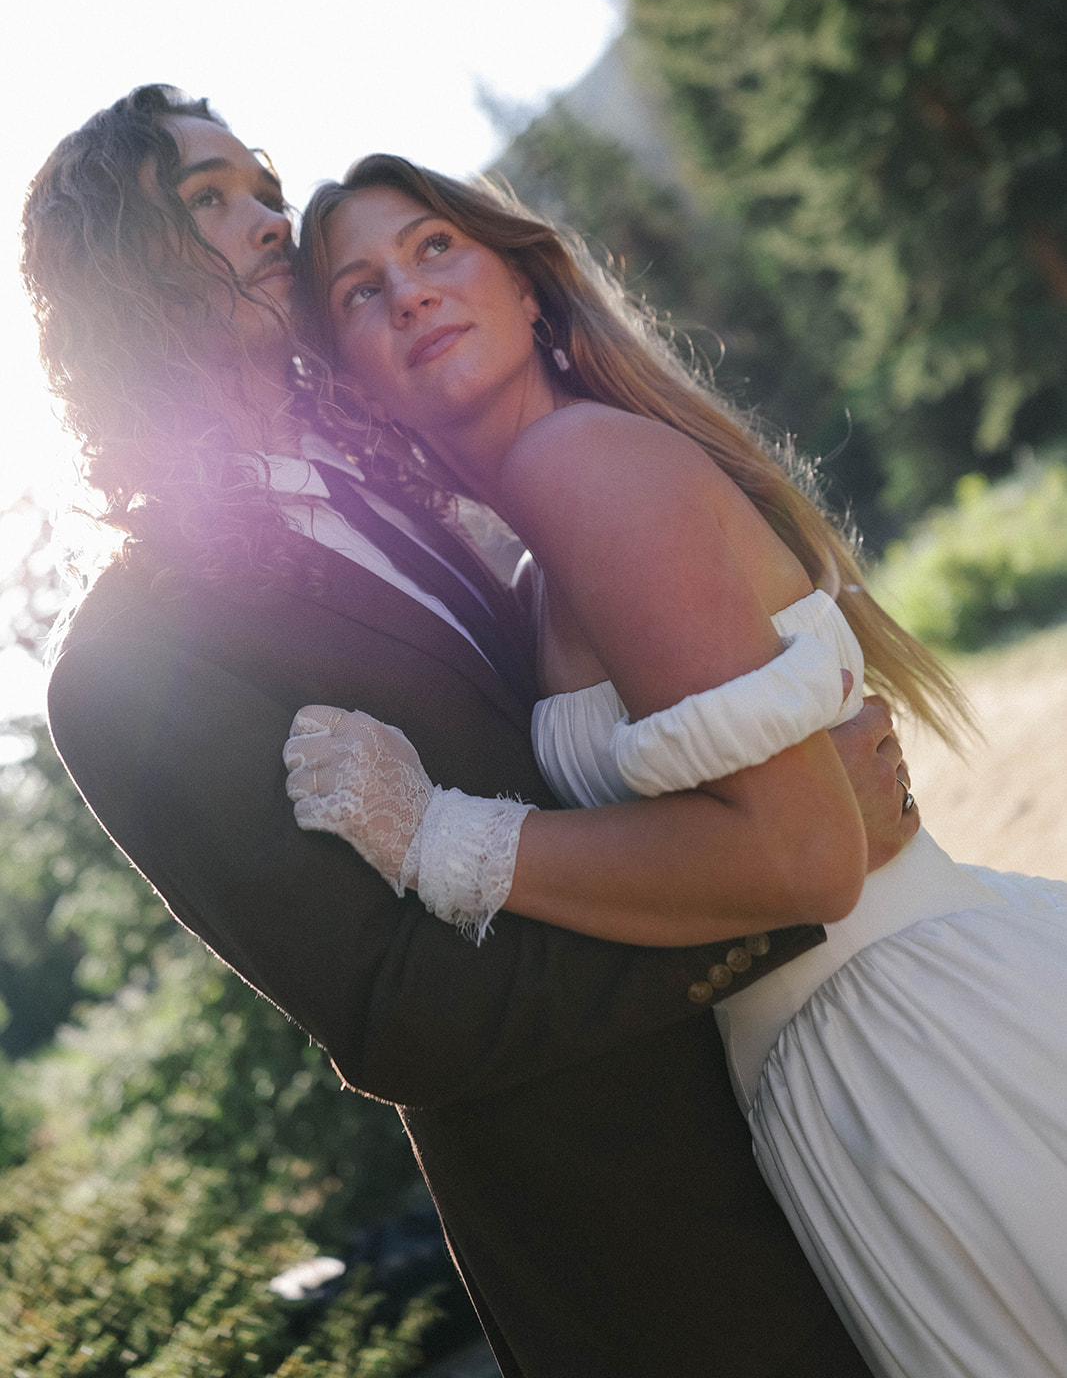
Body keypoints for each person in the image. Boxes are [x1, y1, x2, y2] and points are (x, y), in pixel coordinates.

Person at [19, 86, 903, 1378]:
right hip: (633, 1225)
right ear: (114, 276)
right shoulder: (125, 666)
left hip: (813, 1082)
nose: (268, 220)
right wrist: (770, 889)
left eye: (259, 187)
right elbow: (397, 1012)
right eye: (205, 200)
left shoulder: (401, 471)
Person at [286, 153, 1067, 1378]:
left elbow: (804, 857)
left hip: (909, 1053)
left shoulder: (578, 466)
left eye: (435, 247)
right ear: (361, 387)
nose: (409, 292)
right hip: (841, 1063)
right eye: (358, 289)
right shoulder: (539, 562)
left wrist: (438, 837)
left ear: (526, 285)